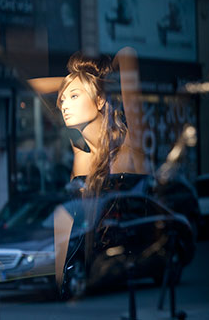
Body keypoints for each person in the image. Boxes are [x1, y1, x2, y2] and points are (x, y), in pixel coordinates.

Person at [28, 47, 147, 291]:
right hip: (87, 274)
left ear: (101, 99)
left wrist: (93, 79)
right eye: (62, 99)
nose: (63, 105)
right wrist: (74, 82)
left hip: (127, 275)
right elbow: (30, 86)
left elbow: (127, 55)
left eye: (73, 96)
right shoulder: (81, 155)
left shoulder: (130, 145)